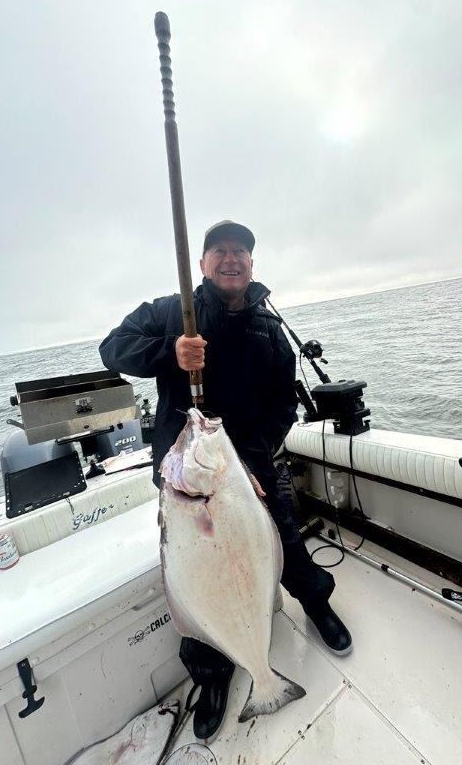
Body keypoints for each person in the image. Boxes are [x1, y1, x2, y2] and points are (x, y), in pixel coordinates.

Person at [99, 220, 352, 742]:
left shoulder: (269, 329)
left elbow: (282, 403)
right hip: (186, 477)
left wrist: (255, 454)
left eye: (241, 251)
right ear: (203, 263)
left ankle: (317, 605)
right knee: (195, 575)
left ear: (252, 265)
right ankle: (211, 674)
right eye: (220, 250)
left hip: (251, 468)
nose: (231, 258)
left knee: (285, 544)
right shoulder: (170, 312)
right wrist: (170, 352)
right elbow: (112, 348)